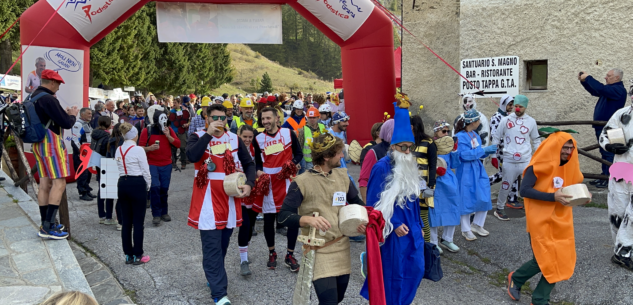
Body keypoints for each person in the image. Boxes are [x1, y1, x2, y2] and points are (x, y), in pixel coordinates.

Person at [278, 132, 366, 304]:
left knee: (338, 298)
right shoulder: (302, 181)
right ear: (326, 156)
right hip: (318, 250)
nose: (342, 155)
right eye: (339, 152)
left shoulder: (342, 176)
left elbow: (357, 203)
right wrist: (307, 219)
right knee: (329, 301)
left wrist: (362, 221)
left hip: (341, 247)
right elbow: (283, 217)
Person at [506, 132, 588, 305]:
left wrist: (583, 196)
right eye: (564, 147)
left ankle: (539, 298)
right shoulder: (537, 166)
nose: (568, 152)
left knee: (562, 259)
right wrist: (553, 197)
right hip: (540, 219)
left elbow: (573, 187)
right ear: (554, 147)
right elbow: (525, 191)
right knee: (542, 259)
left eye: (571, 148)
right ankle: (518, 279)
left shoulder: (569, 166)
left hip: (561, 219)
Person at [186, 104, 256, 305]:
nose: (219, 121)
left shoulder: (234, 138)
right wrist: (208, 134)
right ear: (206, 118)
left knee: (223, 244)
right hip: (207, 199)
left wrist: (249, 184)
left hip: (229, 197)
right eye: (215, 117)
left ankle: (213, 274)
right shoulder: (197, 136)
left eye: (223, 118)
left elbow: (249, 163)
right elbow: (192, 156)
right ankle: (219, 294)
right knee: (212, 247)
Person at [360, 100, 424, 305]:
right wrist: (394, 224)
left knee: (415, 270)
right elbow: (373, 203)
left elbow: (413, 200)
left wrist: (420, 225)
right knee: (394, 275)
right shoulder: (381, 168)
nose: (407, 152)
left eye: (409, 148)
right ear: (393, 146)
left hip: (413, 228)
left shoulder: (409, 166)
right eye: (402, 147)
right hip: (393, 232)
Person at [253, 107, 303, 271]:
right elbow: (257, 162)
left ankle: (290, 254)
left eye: (268, 118)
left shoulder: (288, 134)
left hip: (288, 182)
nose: (266, 121)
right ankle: (272, 252)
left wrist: (292, 164)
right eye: (263, 119)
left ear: (276, 118)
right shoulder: (258, 138)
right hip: (269, 184)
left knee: (293, 220)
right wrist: (259, 172)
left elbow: (299, 154)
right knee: (269, 221)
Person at [33, 70, 78, 239]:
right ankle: (48, 227)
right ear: (52, 82)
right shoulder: (49, 99)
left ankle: (45, 222)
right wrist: (72, 115)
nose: (58, 87)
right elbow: (66, 123)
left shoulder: (33, 97)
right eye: (58, 84)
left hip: (37, 144)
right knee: (59, 183)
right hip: (50, 144)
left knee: (44, 184)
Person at [491, 95, 541, 220]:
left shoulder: (531, 121)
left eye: (520, 107)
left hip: (526, 159)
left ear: (525, 107)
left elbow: (536, 140)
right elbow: (496, 137)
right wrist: (493, 155)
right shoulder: (505, 120)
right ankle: (499, 208)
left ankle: (533, 209)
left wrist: (539, 156)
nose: (517, 109)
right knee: (506, 185)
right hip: (509, 159)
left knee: (530, 185)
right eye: (516, 106)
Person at [598, 97, 633, 271]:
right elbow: (605, 134)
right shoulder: (622, 114)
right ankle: (621, 249)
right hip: (622, 171)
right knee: (618, 211)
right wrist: (610, 147)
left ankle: (623, 252)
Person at [579, 69, 628, 188]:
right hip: (603, 126)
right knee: (604, 152)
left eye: (608, 76)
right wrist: (584, 81)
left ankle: (609, 178)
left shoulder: (618, 90)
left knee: (609, 153)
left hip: (611, 128)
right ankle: (604, 176)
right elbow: (595, 91)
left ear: (617, 78)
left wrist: (589, 77)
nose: (605, 77)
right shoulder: (610, 90)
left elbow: (600, 88)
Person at [454, 109, 497, 241]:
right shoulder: (460, 137)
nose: (480, 122)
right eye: (478, 120)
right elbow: (463, 155)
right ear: (472, 121)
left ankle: (477, 224)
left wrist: (486, 152)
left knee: (484, 195)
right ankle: (466, 229)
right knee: (466, 198)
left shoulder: (475, 135)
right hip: (466, 170)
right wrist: (482, 151)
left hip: (478, 169)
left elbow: (478, 152)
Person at [115, 123, 152, 265]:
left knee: (126, 221)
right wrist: (147, 186)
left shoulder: (119, 149)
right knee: (138, 222)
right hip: (137, 183)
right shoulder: (138, 150)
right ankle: (138, 254)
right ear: (135, 135)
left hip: (122, 182)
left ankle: (128, 254)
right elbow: (145, 170)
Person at [139, 105, 181, 226]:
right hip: (152, 164)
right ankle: (156, 214)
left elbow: (178, 144)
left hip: (166, 164)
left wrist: (168, 136)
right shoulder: (147, 130)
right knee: (155, 188)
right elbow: (140, 147)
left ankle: (164, 212)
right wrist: (149, 148)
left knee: (164, 188)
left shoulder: (168, 129)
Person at [235, 125, 261, 276]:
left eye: (250, 137)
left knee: (250, 225)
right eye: (244, 136)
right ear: (239, 135)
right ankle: (243, 260)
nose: (247, 139)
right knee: (244, 224)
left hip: (252, 191)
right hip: (238, 193)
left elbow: (259, 165)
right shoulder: (233, 148)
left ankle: (245, 250)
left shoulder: (255, 150)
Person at [429, 135, 461, 254]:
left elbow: (455, 164)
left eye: (447, 131)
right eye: (443, 131)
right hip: (435, 182)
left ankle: (448, 239)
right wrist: (434, 169)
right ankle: (433, 242)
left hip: (449, 182)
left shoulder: (448, 147)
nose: (446, 133)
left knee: (452, 209)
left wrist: (454, 151)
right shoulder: (431, 145)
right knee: (433, 211)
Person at [488, 95, 518, 206]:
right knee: (505, 173)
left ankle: (512, 198)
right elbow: (495, 136)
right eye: (510, 105)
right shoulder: (496, 117)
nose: (512, 107)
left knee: (513, 172)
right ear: (504, 104)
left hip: (511, 151)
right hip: (501, 151)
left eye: (512, 105)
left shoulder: (510, 117)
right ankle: (484, 183)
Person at [411, 115, 436, 242]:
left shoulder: (429, 142)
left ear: (413, 126)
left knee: (423, 216)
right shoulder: (408, 142)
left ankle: (426, 245)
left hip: (425, 185)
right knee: (412, 216)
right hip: (410, 185)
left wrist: (431, 185)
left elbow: (433, 164)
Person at [359, 119, 394, 201]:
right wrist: (366, 204)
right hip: (380, 200)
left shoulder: (402, 150)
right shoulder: (373, 151)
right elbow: (364, 180)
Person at [91, 116, 117, 225]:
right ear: (107, 124)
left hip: (97, 163)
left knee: (101, 190)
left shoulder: (95, 134)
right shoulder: (107, 136)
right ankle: (108, 217)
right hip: (106, 164)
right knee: (109, 191)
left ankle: (101, 215)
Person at [71, 107, 96, 202]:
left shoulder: (87, 124)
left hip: (88, 153)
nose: (91, 115)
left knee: (88, 173)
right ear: (82, 114)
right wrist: (80, 152)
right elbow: (75, 140)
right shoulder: (78, 124)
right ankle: (83, 192)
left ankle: (87, 189)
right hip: (81, 154)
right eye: (89, 113)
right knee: (82, 173)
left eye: (91, 113)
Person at [298, 106, 326, 171]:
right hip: (309, 161)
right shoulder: (303, 130)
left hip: (322, 158)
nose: (312, 119)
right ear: (307, 118)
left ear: (318, 117)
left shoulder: (322, 127)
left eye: (314, 117)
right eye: (310, 117)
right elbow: (299, 147)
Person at [169, 99, 189, 170]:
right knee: (173, 149)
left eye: (175, 103)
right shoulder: (171, 112)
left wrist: (187, 124)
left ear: (179, 103)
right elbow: (168, 122)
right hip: (173, 132)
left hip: (182, 131)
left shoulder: (184, 111)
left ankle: (183, 163)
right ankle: (174, 163)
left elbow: (188, 120)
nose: (174, 104)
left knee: (182, 148)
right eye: (173, 102)